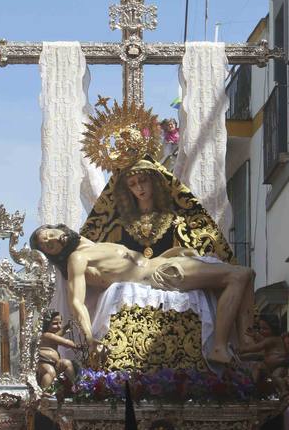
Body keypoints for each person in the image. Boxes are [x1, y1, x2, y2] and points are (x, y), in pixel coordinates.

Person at [30, 223, 268, 366]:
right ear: (55, 254)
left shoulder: (90, 245)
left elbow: (141, 261)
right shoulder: (77, 258)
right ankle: (219, 346)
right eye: (48, 244)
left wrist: (173, 252)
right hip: (161, 276)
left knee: (246, 274)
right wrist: (90, 339)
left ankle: (246, 341)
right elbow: (76, 301)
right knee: (239, 275)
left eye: (49, 233)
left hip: (163, 263)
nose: (52, 239)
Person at [80, 156, 231, 261]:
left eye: (143, 181)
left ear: (154, 182)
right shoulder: (118, 226)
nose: (139, 188)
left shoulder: (175, 220)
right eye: (132, 184)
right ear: (127, 190)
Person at [36, 311, 77, 389]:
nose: (59, 326)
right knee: (50, 372)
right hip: (43, 364)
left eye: (60, 323)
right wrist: (77, 346)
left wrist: (65, 328)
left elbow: (58, 334)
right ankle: (43, 392)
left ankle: (74, 387)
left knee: (67, 363)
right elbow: (65, 342)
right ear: (46, 324)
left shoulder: (52, 335)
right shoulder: (46, 335)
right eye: (55, 323)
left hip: (55, 363)